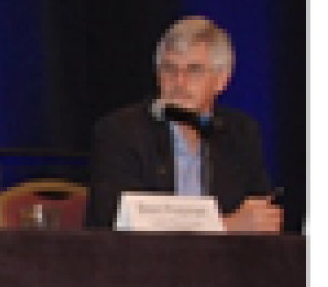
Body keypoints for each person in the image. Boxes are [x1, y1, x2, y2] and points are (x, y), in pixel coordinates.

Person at [86, 16, 280, 232]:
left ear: (221, 80)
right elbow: (118, 222)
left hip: (225, 264)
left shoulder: (240, 133)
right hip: (142, 264)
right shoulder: (119, 132)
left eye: (194, 70)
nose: (179, 82)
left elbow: (262, 218)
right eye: (169, 69)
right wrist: (226, 226)